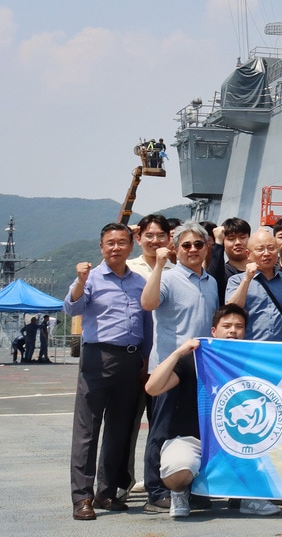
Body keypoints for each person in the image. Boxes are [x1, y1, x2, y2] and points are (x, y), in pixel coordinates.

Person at [143, 304, 278, 517]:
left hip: (236, 441)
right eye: (227, 325)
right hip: (192, 438)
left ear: (245, 332)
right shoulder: (193, 359)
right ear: (214, 331)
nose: (233, 330)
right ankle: (179, 493)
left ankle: (251, 497)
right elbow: (152, 388)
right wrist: (178, 352)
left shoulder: (254, 362)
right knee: (178, 471)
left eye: (239, 326)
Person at [64, 223, 151, 520]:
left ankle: (106, 492)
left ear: (131, 246)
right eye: (110, 243)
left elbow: (147, 324)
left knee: (119, 430)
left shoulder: (139, 281)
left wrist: (146, 359)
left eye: (121, 242)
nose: (116, 247)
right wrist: (79, 280)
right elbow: (72, 308)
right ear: (101, 247)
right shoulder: (90, 278)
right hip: (97, 358)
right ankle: (82, 497)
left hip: (130, 359)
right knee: (87, 430)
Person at [138, 221, 218, 512]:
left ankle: (191, 488)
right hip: (170, 369)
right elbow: (147, 304)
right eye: (186, 245)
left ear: (207, 247)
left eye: (198, 244)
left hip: (201, 371)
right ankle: (156, 490)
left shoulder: (212, 282)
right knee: (161, 429)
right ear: (176, 249)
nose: (193, 250)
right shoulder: (169, 278)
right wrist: (159, 266)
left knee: (198, 431)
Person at [227, 228, 282, 342]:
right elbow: (231, 310)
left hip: (280, 349)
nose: (266, 253)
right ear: (248, 254)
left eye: (271, 248)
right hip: (248, 349)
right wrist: (247, 279)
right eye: (260, 249)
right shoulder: (236, 280)